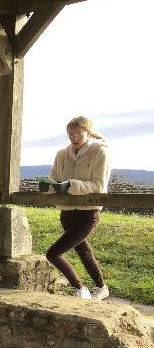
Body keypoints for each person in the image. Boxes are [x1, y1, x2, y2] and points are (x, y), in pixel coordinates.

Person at [45, 116, 111, 300]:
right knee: (84, 252)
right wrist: (49, 186)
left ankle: (80, 289)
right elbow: (54, 179)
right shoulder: (61, 154)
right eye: (70, 135)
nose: (74, 138)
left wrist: (70, 185)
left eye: (79, 134)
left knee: (53, 254)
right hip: (66, 213)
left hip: (88, 213)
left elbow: (99, 186)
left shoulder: (100, 152)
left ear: (88, 134)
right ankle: (101, 287)